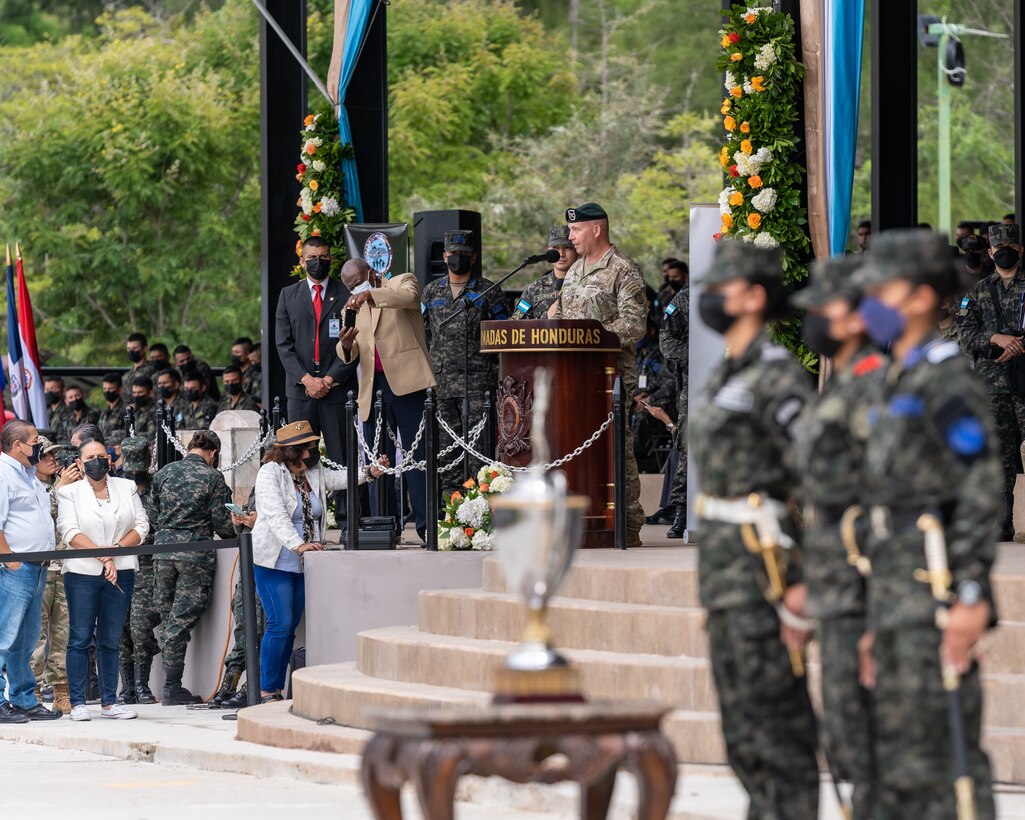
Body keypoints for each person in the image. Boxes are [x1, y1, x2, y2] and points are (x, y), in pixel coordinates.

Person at [854, 229, 999, 817]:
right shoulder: (897, 374)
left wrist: (970, 594)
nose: (869, 305)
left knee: (947, 763)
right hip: (895, 596)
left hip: (936, 595)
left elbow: (978, 489)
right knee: (897, 763)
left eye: (879, 290)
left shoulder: (945, 378)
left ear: (917, 297)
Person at [688, 240, 819, 818]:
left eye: (723, 287)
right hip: (726, 573)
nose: (710, 297)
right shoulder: (724, 375)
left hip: (766, 566)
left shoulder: (776, 377)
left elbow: (821, 479)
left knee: (777, 723)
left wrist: (804, 584)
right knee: (741, 724)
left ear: (754, 297)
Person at [791, 256, 882, 818]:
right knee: (847, 739)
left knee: (868, 741)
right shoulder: (844, 384)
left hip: (868, 595)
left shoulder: (874, 392)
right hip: (837, 589)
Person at [250, 421, 385, 702]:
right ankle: (266, 689)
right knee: (280, 624)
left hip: (304, 562)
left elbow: (341, 479)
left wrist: (369, 473)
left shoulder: (313, 472)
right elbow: (275, 515)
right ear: (293, 450)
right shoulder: (269, 473)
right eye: (310, 446)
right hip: (274, 561)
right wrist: (298, 545)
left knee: (290, 628)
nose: (315, 450)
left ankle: (277, 689)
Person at [551, 202, 647, 546]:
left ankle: (628, 522)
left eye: (576, 230)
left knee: (616, 447)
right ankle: (585, 518)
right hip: (573, 376)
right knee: (575, 445)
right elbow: (562, 314)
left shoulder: (623, 270)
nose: (570, 236)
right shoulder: (575, 271)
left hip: (611, 376)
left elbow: (635, 325)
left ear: (596, 229)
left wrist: (592, 336)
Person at [339, 257, 436, 541]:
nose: (355, 290)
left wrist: (371, 294)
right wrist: (344, 346)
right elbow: (351, 349)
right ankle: (385, 526)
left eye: (358, 283)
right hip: (373, 388)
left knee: (418, 457)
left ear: (371, 272)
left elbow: (410, 298)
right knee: (377, 462)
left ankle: (426, 525)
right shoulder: (352, 305)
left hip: (408, 383)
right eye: (350, 287)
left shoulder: (401, 281)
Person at [57, 438, 148, 721]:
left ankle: (110, 702)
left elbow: (141, 525)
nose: (98, 460)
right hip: (83, 572)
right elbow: (69, 532)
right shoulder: (69, 492)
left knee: (111, 637)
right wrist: (105, 557)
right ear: (80, 463)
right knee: (80, 637)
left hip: (122, 570)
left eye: (102, 455)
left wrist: (116, 552)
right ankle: (78, 703)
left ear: (109, 458)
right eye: (91, 457)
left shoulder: (126, 487)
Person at [275, 236, 359, 514]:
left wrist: (329, 379)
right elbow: (283, 346)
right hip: (301, 392)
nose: (317, 262)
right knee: (299, 457)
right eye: (312, 257)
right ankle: (303, 514)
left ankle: (348, 522)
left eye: (323, 257)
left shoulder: (346, 295)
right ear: (302, 261)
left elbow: (354, 343)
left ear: (331, 260)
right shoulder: (288, 295)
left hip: (336, 390)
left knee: (341, 457)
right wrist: (307, 379)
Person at [151, 430, 234, 705]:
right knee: (181, 621)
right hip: (194, 556)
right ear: (213, 453)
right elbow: (222, 522)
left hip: (162, 552)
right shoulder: (212, 477)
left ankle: (171, 684)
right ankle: (172, 687)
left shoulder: (163, 473)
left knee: (168, 618)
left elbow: (152, 513)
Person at [956, 223, 1025, 541]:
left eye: (1012, 245)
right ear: (991, 252)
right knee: (999, 458)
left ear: (1020, 250)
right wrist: (996, 338)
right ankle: (1001, 526)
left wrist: (1018, 345)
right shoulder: (978, 291)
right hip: (993, 385)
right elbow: (965, 335)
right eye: (1000, 247)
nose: (1005, 251)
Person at [0, 420, 62, 722]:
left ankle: (24, 698)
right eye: (35, 441)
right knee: (4, 637)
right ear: (17, 446)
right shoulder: (2, 474)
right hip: (15, 567)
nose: (39, 446)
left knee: (25, 639)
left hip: (37, 567)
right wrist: (9, 559)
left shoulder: (28, 475)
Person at [29, 437, 79, 715]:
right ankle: (32, 691)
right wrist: (60, 489)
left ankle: (61, 691)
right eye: (47, 455)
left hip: (67, 568)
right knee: (36, 636)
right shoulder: (29, 487)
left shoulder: (66, 487)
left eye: (55, 455)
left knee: (64, 633)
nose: (54, 459)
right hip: (42, 568)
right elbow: (36, 516)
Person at [115, 437, 161, 705]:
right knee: (121, 629)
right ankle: (128, 687)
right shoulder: (115, 487)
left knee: (141, 627)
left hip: (148, 567)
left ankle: (143, 685)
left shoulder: (158, 487)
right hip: (119, 565)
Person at [210, 489, 265, 709]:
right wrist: (240, 520)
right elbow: (244, 529)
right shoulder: (262, 481)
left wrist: (258, 523)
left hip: (270, 562)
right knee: (243, 621)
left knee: (261, 626)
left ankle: (252, 685)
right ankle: (231, 681)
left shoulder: (291, 480)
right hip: (249, 561)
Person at [657, 260, 690, 538]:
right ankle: (681, 510)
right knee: (687, 445)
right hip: (694, 382)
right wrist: (695, 356)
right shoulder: (685, 299)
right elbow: (666, 341)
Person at [510, 226, 579, 319]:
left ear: (577, 250)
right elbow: (515, 323)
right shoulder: (534, 289)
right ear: (549, 250)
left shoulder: (588, 283)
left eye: (567, 248)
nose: (561, 254)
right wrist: (546, 317)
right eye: (556, 248)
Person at [123, 332, 155, 404]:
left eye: (135, 348)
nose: (131, 351)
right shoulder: (127, 375)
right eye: (129, 349)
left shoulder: (152, 370)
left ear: (144, 349)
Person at [231, 337, 262, 404]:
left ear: (248, 354)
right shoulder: (234, 373)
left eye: (237, 352)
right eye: (233, 352)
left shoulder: (256, 374)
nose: (234, 355)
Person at [43, 376, 74, 443]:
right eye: (47, 389)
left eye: (53, 389)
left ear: (62, 391)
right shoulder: (46, 411)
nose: (49, 392)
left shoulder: (69, 411)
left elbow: (68, 436)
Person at [98, 372, 127, 442]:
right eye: (105, 389)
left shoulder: (126, 410)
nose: (107, 391)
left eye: (111, 388)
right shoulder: (104, 412)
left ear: (119, 390)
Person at [129, 375, 158, 440]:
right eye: (134, 393)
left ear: (150, 393)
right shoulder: (135, 411)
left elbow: (152, 435)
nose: (136, 396)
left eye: (140, 392)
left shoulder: (155, 412)